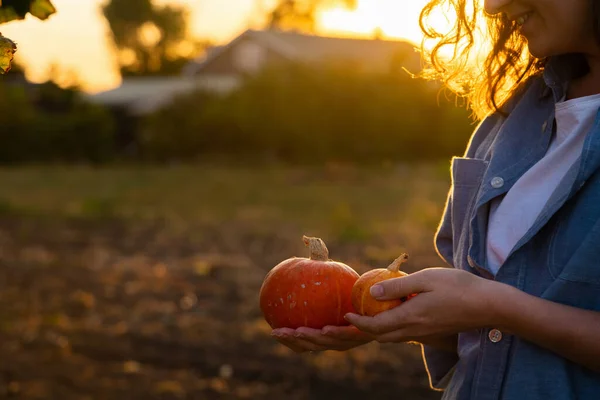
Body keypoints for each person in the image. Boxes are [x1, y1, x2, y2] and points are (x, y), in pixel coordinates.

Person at [270, 0, 600, 398]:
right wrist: (391, 319)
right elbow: (483, 333)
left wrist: (498, 307)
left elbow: (492, 310)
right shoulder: (507, 122)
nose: (493, 6)